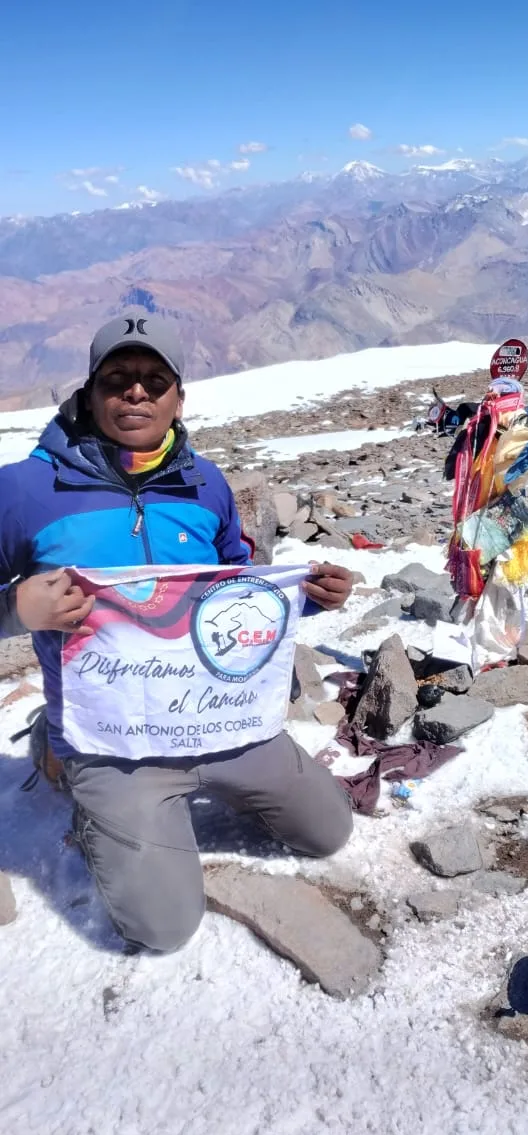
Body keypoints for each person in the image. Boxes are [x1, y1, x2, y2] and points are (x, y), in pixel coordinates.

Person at [0, 311, 354, 951]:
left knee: (329, 832)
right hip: (113, 742)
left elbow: (233, 592)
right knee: (164, 929)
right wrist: (17, 610)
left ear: (178, 399)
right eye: (117, 379)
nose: (136, 392)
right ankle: (70, 770)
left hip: (217, 719)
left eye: (154, 380)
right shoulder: (22, 492)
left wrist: (308, 598)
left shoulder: (205, 484)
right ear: (89, 392)